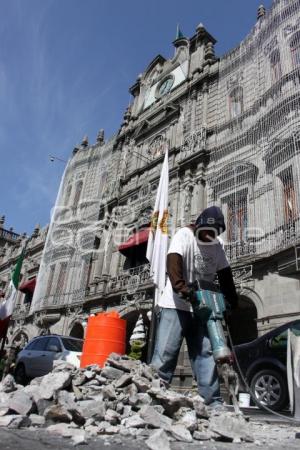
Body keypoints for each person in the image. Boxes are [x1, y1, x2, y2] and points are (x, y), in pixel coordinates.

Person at [151, 206, 239, 408]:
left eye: (214, 233)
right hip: (175, 304)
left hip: (203, 306)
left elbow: (226, 276)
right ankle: (153, 395)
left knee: (206, 353)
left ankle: (212, 402)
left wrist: (231, 302)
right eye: (206, 232)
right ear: (198, 226)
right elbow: (173, 262)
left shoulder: (217, 246)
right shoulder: (184, 235)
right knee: (166, 352)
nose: (209, 236)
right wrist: (182, 288)